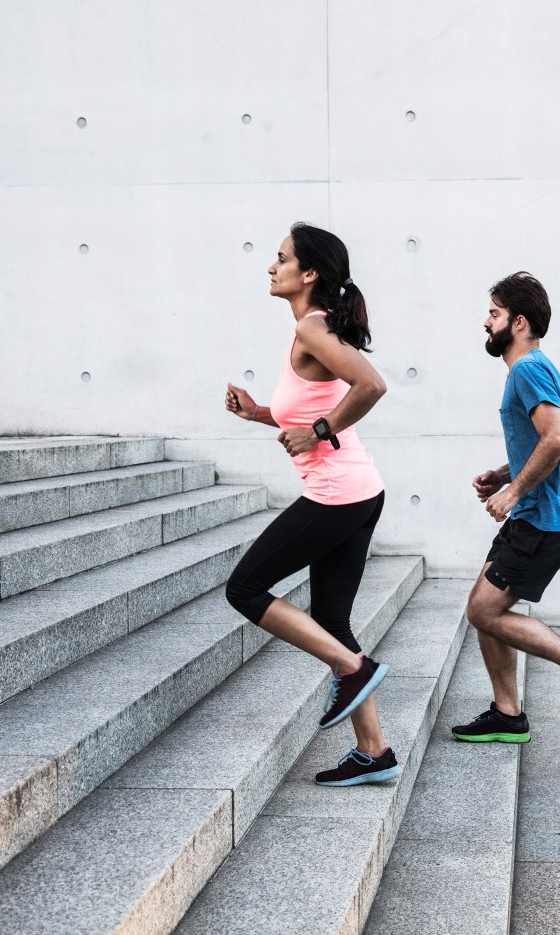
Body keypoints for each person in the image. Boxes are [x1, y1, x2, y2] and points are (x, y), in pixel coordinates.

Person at [223, 222, 399, 787]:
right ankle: (373, 752)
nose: (271, 267)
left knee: (244, 589)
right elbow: (311, 402)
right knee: (330, 619)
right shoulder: (309, 329)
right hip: (358, 491)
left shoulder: (312, 327)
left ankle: (352, 668)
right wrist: (259, 414)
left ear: (310, 273)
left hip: (337, 495)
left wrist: (320, 431)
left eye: (281, 259)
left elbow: (371, 386)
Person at [451, 272, 560, 744]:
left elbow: (557, 439)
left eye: (494, 313)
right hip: (539, 514)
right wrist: (504, 476)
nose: (486, 322)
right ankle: (507, 713)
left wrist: (514, 491)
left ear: (518, 322)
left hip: (548, 518)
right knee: (483, 605)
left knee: (484, 612)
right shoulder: (535, 368)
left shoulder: (527, 369)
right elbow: (543, 441)